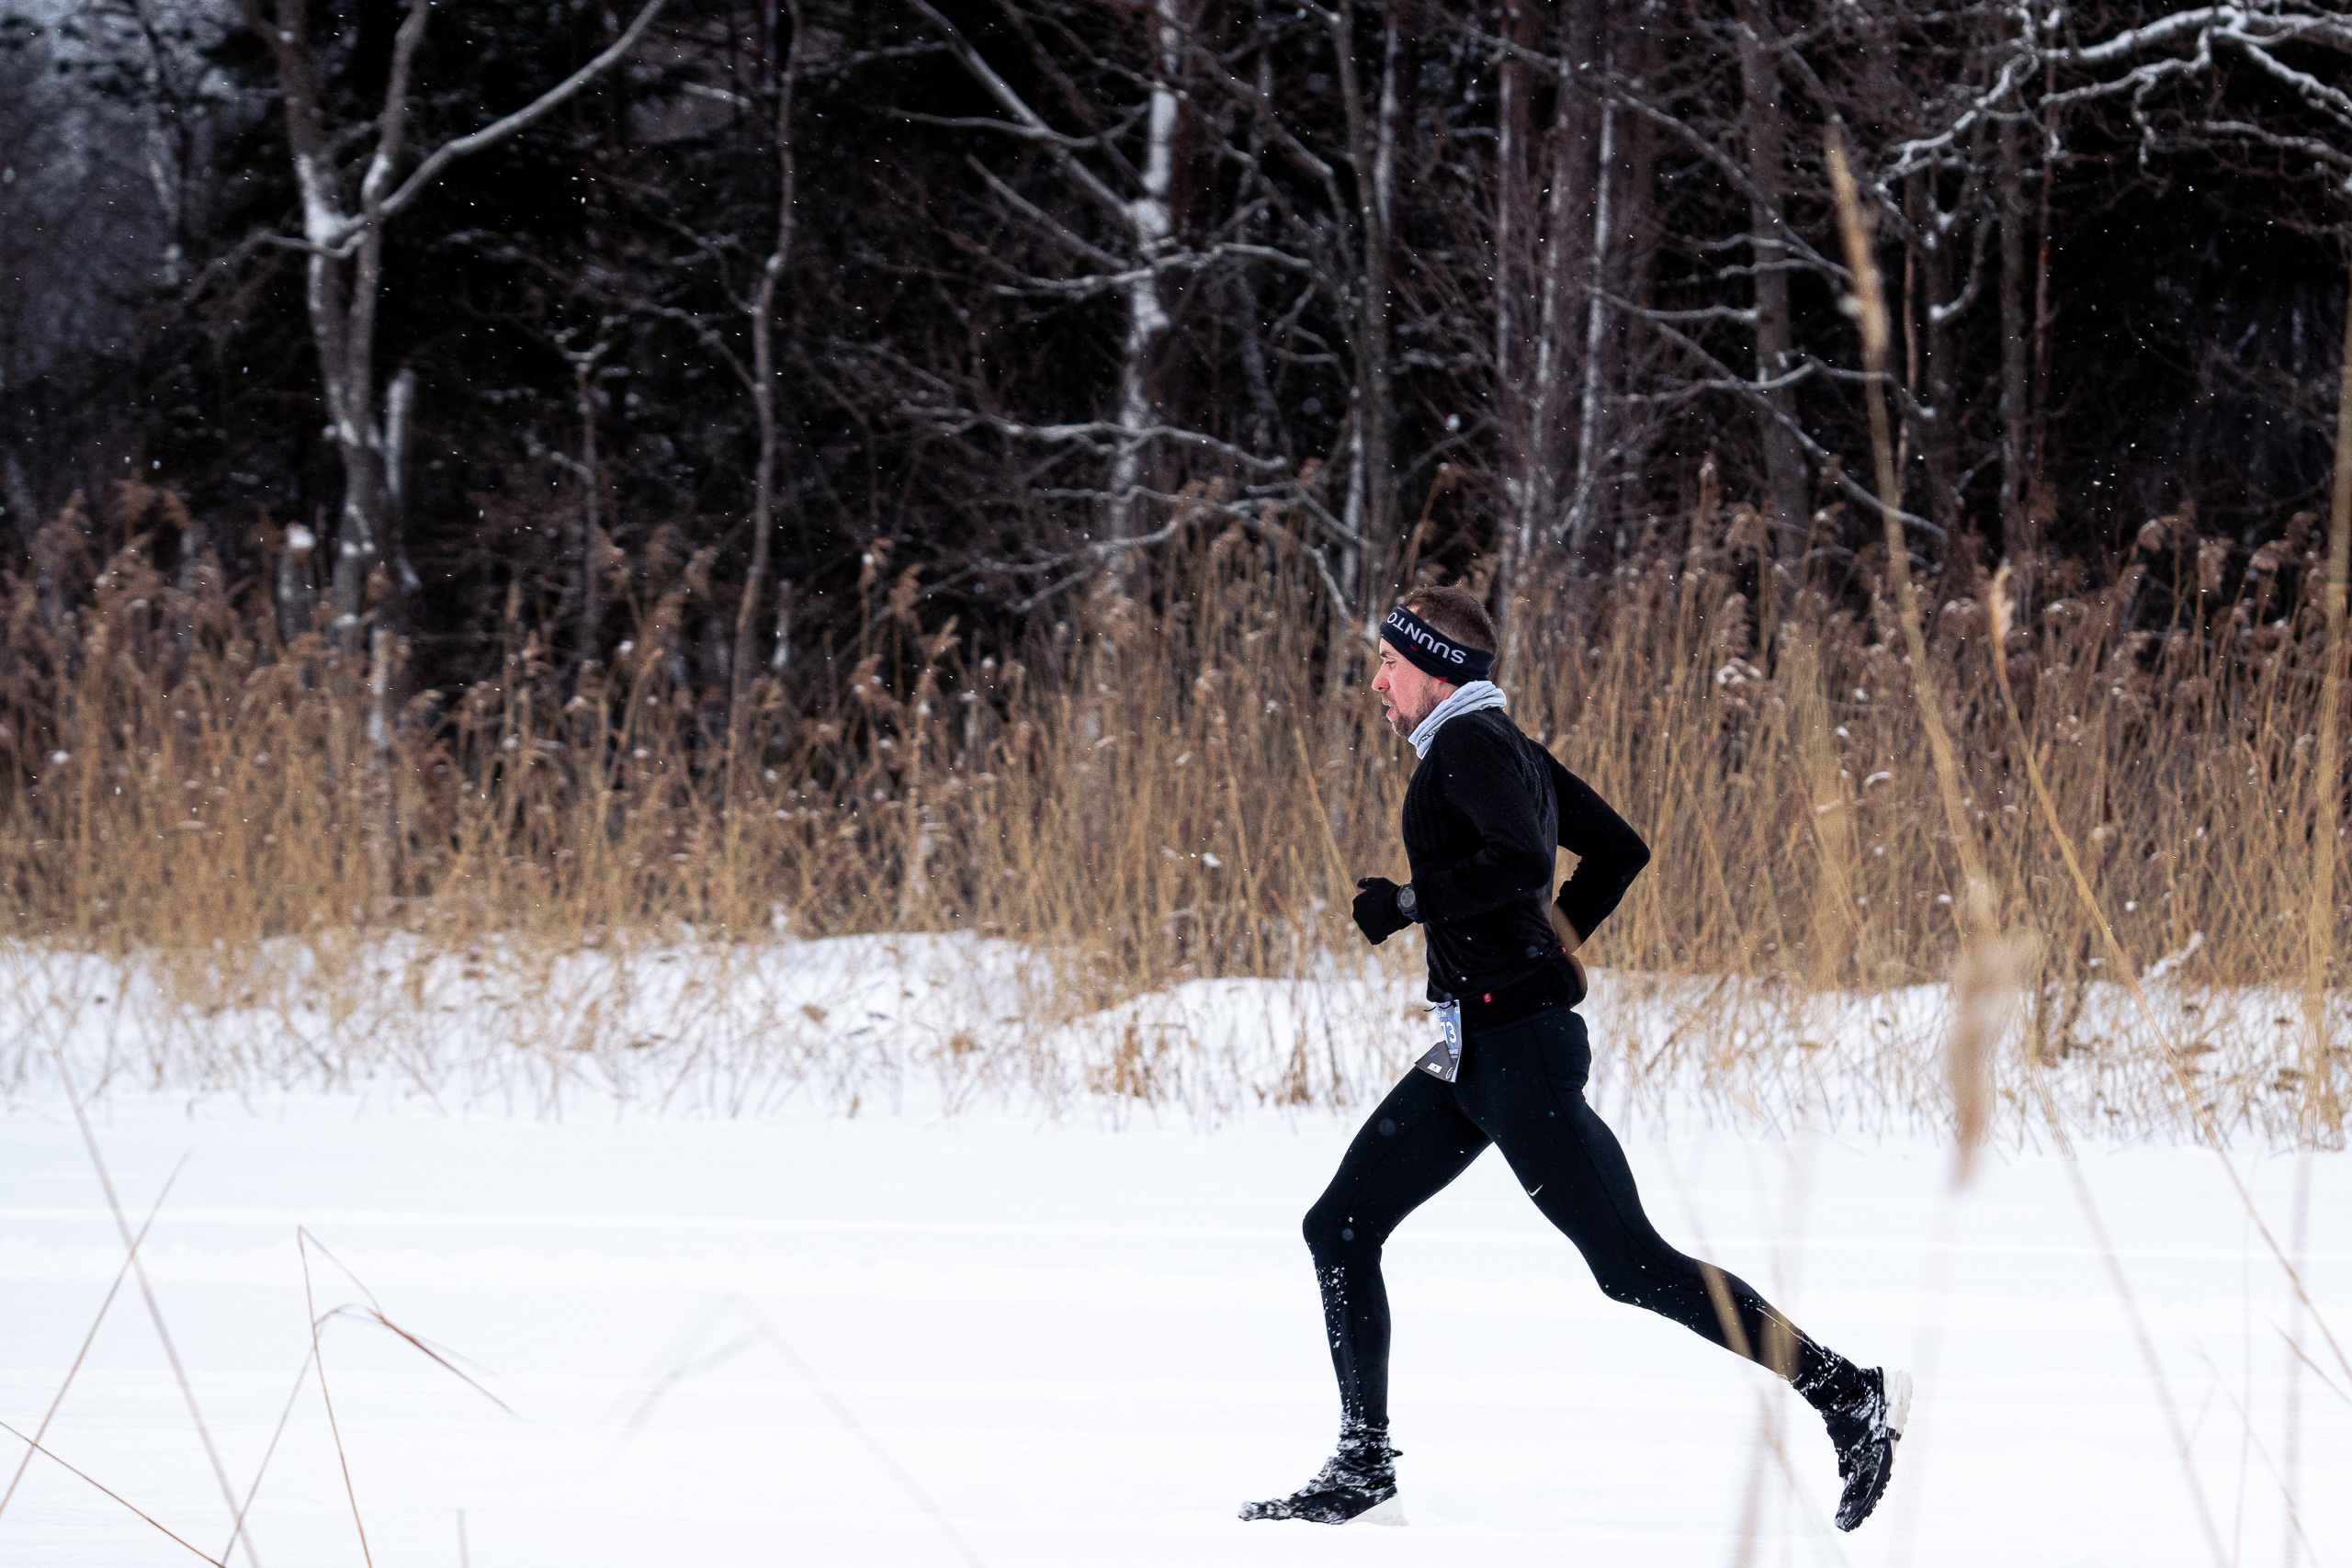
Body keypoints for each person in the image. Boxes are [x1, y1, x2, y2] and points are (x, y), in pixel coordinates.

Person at [1238, 585, 1908, 1532]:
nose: (1377, 683)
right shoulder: (1502, 745)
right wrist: (1553, 940)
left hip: (1519, 1051)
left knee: (1632, 1265)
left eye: (1389, 664)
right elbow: (1617, 851)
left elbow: (1519, 862)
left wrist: (1405, 905)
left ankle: (1848, 1394)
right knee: (1340, 1225)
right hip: (1472, 1050)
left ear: (1438, 672)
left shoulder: (1469, 746)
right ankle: (1362, 1464)